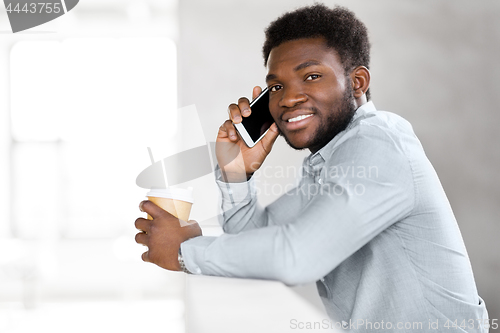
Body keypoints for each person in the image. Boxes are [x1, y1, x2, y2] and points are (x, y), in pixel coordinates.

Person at [134, 4, 489, 332]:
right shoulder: (331, 160)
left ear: (358, 82)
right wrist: (237, 173)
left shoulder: (378, 144)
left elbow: (297, 257)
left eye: (312, 76)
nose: (288, 98)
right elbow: (255, 240)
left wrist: (184, 251)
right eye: (276, 86)